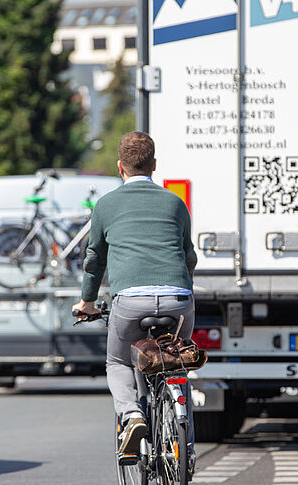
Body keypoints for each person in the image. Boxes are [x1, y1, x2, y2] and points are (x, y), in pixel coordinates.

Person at [72, 131, 197, 456]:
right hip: (178, 300)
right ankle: (183, 433)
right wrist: (185, 289)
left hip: (130, 302)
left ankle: (132, 415)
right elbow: (188, 256)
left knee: (117, 361)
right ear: (154, 164)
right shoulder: (174, 202)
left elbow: (94, 260)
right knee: (176, 360)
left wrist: (87, 301)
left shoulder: (106, 204)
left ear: (119, 167)